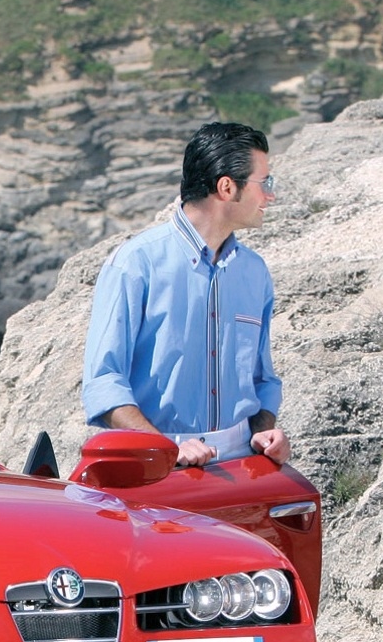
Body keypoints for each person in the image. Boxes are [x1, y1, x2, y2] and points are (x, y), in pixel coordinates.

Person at [82, 121, 288, 467]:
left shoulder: (254, 272)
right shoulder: (135, 264)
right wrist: (166, 449)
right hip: (154, 470)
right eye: (264, 183)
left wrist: (264, 431)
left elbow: (263, 380)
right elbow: (103, 383)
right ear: (226, 187)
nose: (270, 195)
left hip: (244, 468)